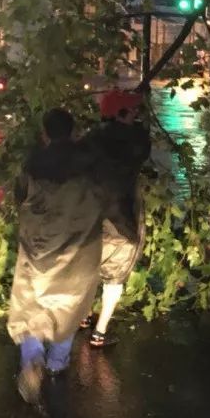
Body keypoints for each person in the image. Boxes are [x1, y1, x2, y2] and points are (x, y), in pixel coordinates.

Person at [8, 107, 104, 403]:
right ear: (73, 131)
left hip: (39, 248)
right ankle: (57, 363)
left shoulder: (34, 163)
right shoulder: (90, 164)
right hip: (80, 248)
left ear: (45, 133)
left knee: (31, 305)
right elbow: (105, 197)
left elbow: (20, 196)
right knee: (70, 307)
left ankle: (32, 359)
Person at [81, 89, 151, 348]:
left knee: (89, 269)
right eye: (132, 110)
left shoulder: (90, 139)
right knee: (115, 277)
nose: (136, 114)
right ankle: (100, 332)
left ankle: (84, 317)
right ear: (122, 114)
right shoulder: (133, 142)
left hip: (89, 217)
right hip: (120, 218)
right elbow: (143, 148)